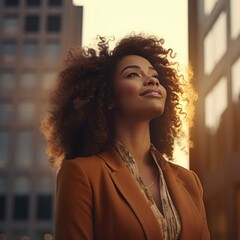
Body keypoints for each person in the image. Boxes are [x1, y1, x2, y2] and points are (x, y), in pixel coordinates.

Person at [41, 34, 210, 240]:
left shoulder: (189, 181)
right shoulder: (82, 175)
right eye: (133, 75)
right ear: (109, 97)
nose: (152, 80)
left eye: (154, 75)